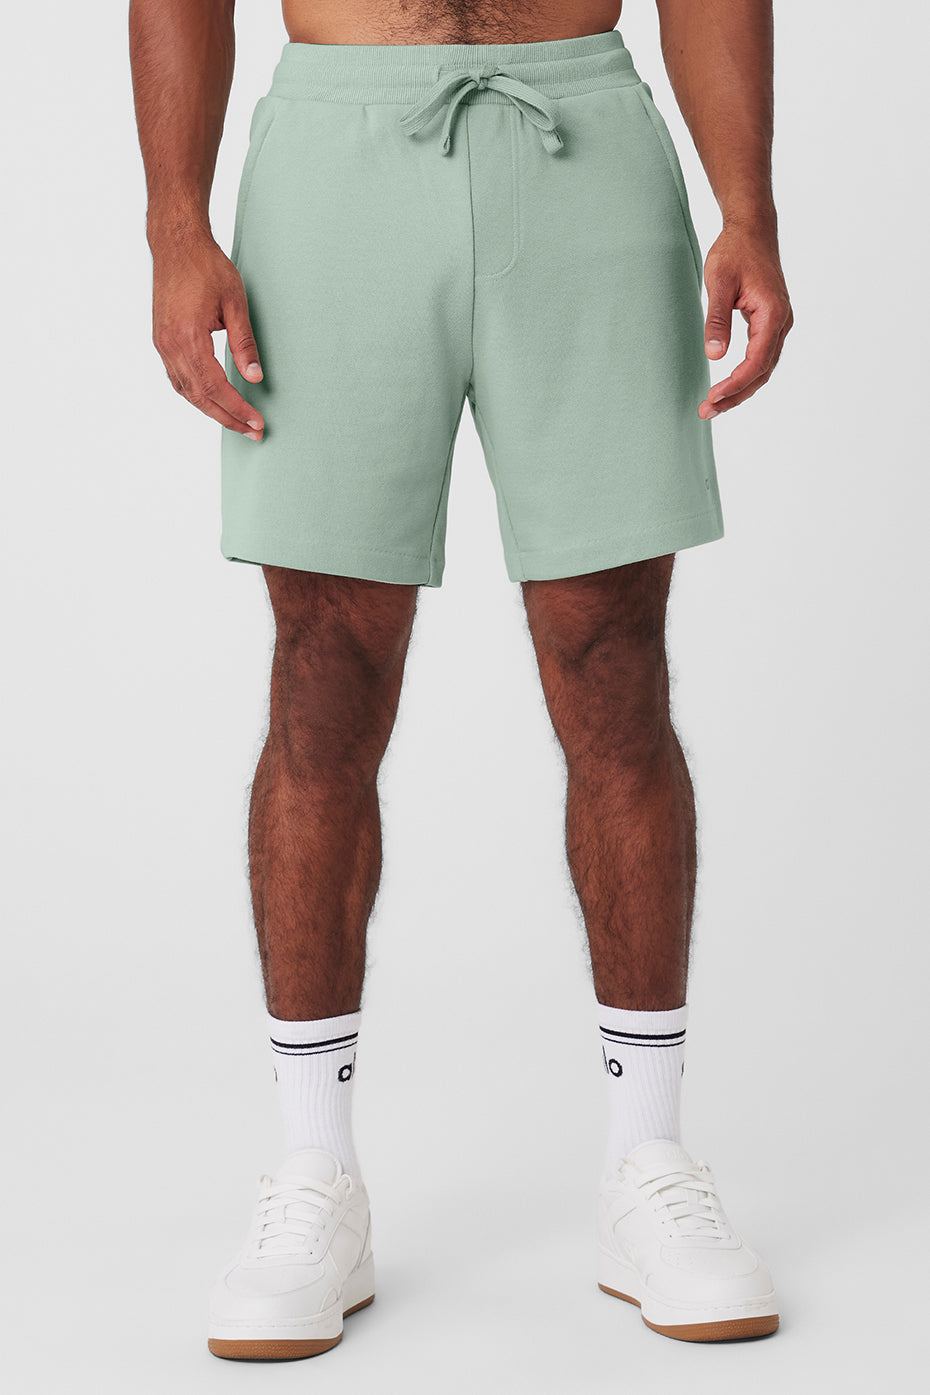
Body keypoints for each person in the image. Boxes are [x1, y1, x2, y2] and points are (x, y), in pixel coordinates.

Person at [129, 0, 793, 1357]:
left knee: (613, 658)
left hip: (584, 141)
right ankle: (316, 1172)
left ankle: (647, 1162)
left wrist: (749, 207)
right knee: (323, 667)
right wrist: (174, 226)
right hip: (336, 156)